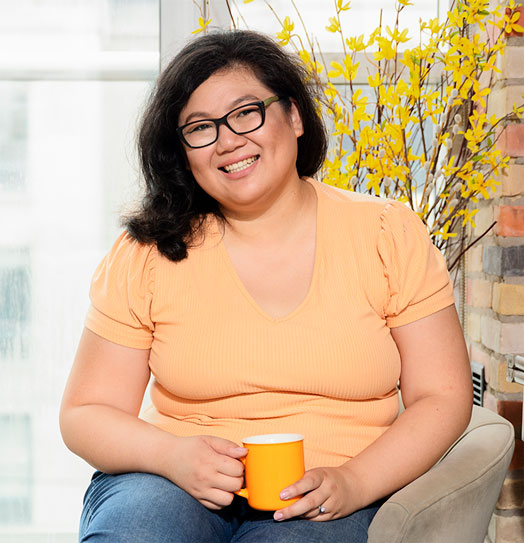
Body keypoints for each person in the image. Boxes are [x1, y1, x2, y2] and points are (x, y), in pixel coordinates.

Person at [59, 29, 473, 543]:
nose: (228, 140)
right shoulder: (147, 252)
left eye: (246, 113)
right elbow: (85, 413)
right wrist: (171, 455)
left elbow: (443, 396)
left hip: (329, 494)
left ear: (294, 117)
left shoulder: (388, 234)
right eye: (200, 128)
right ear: (182, 151)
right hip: (170, 484)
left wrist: (354, 480)